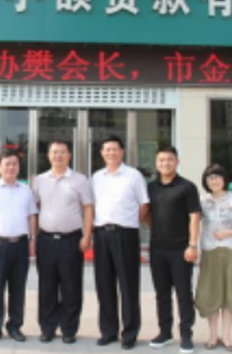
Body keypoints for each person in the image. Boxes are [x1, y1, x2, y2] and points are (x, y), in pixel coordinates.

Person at [32, 140, 94, 344]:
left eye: (62, 152)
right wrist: (33, 237)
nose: (58, 156)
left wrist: (87, 236)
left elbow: (88, 208)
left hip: (71, 240)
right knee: (47, 286)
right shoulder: (39, 180)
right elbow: (34, 209)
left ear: (69, 155)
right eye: (54, 152)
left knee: (71, 286)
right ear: (48, 156)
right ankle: (47, 328)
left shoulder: (80, 180)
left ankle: (69, 329)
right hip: (46, 240)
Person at [91, 135, 149, 350]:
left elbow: (144, 204)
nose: (111, 153)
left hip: (125, 234)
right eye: (107, 150)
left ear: (122, 151)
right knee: (104, 285)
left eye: (115, 149)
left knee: (128, 285)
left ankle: (130, 333)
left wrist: (132, 223)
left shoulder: (133, 175)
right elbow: (91, 206)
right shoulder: (96, 177)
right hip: (101, 234)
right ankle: (108, 331)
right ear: (101, 153)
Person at [0, 150, 38, 344]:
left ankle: (15, 326)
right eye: (7, 164)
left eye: (14, 164)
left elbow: (32, 216)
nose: (11, 167)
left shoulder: (25, 190)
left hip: (20, 244)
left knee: (18, 288)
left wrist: (32, 239)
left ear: (19, 167)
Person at [144, 146, 200, 353]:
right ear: (156, 163)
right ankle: (165, 332)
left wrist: (192, 245)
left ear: (177, 162)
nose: (165, 163)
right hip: (157, 249)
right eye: (161, 160)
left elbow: (194, 217)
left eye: (169, 159)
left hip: (181, 249)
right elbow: (147, 214)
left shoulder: (187, 187)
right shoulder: (151, 187)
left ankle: (186, 334)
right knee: (162, 294)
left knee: (184, 294)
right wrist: (157, 230)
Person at [195, 164, 232, 352]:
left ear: (224, 179)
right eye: (210, 178)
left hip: (231, 250)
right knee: (211, 294)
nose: (214, 181)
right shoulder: (202, 200)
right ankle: (213, 336)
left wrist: (228, 233)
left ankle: (226, 337)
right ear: (206, 181)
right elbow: (193, 221)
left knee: (230, 294)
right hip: (210, 251)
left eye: (217, 177)